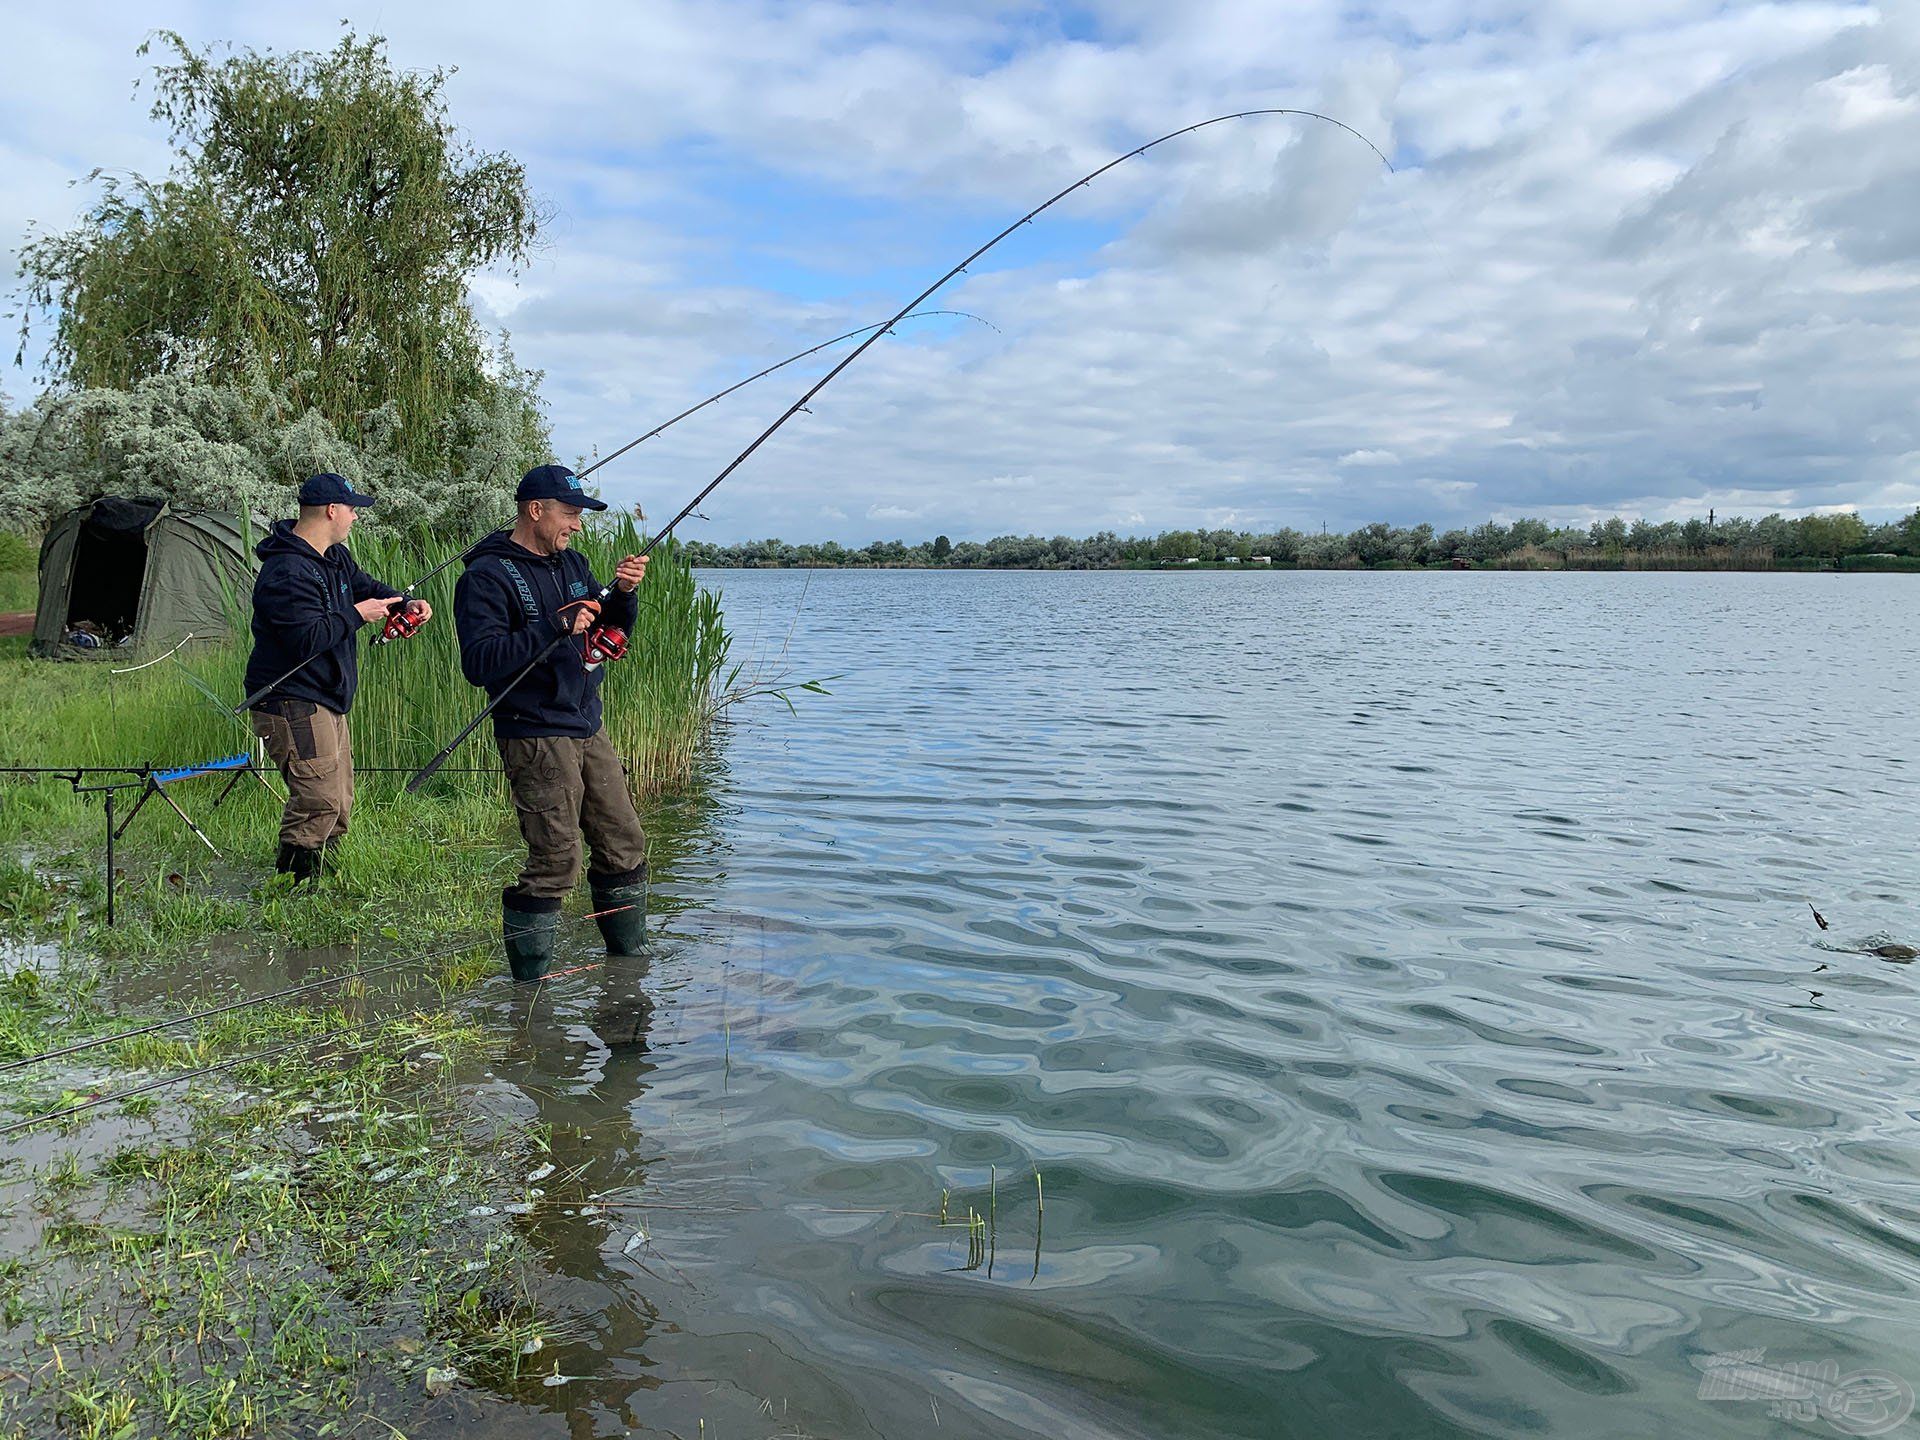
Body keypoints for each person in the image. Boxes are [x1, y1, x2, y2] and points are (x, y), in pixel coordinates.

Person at [453, 464, 650, 980]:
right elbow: (479, 664)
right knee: (556, 860)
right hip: (535, 730)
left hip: (587, 722)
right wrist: (551, 627)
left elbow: (608, 627)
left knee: (624, 843)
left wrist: (624, 596)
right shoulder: (486, 576)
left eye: (580, 516)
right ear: (535, 510)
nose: (577, 526)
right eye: (569, 514)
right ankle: (529, 990)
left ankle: (627, 970)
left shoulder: (573, 562)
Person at [244, 473, 429, 881]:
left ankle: (325, 880)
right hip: (291, 700)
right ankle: (293, 888)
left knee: (339, 800)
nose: (355, 518)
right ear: (332, 511)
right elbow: (305, 639)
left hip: (324, 697)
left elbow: (366, 588)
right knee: (318, 800)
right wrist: (357, 615)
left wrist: (405, 602)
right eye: (352, 509)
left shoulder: (335, 557)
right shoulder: (286, 572)